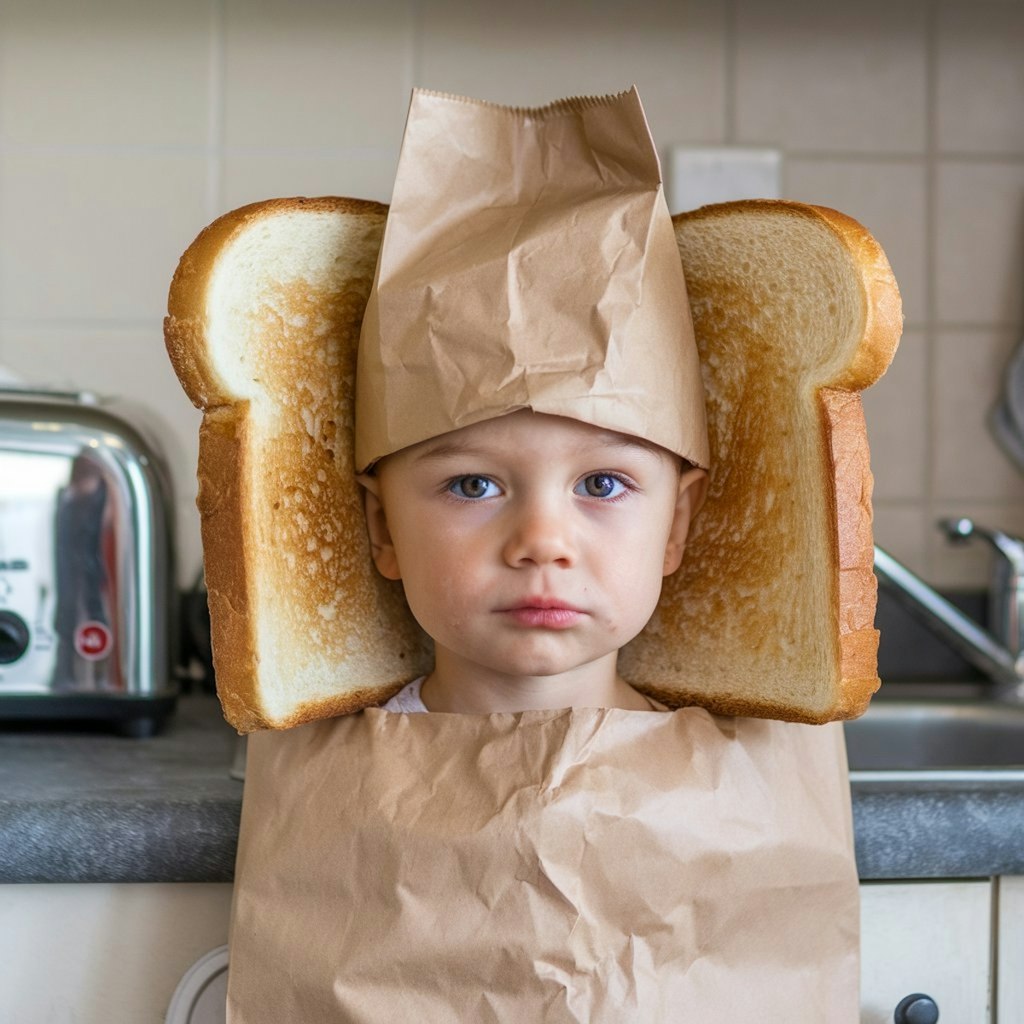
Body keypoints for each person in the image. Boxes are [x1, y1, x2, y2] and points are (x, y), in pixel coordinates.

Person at [361, 409, 707, 714]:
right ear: (385, 528)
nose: (543, 543)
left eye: (601, 485)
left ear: (674, 524)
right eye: (473, 486)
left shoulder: (743, 772)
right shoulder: (319, 778)